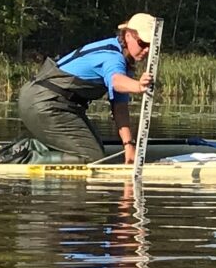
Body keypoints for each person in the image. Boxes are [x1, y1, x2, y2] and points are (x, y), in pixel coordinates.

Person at [15, 13, 159, 164]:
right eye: (143, 43)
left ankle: (44, 151)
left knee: (96, 149)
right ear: (128, 36)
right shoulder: (112, 56)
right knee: (92, 159)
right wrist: (138, 85)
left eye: (151, 46)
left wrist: (128, 145)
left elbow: (120, 107)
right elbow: (116, 80)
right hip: (44, 102)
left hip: (50, 101)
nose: (147, 50)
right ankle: (26, 156)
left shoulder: (122, 58)